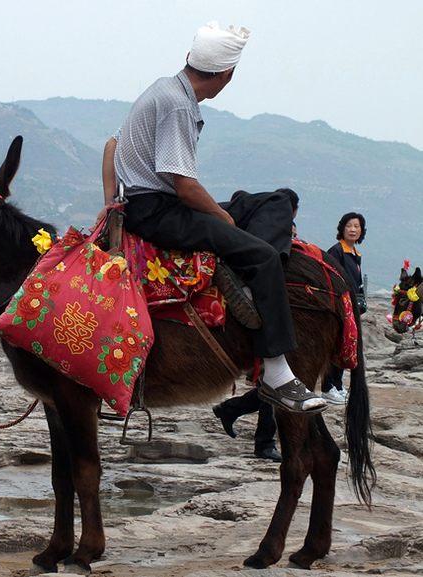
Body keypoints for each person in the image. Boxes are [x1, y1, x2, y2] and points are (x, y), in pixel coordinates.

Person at [101, 21, 325, 414]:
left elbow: (111, 144)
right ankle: (275, 373)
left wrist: (110, 203)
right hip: (157, 212)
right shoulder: (177, 104)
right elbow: (185, 187)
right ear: (227, 74)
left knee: (271, 202)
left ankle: (250, 276)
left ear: (190, 59)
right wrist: (222, 218)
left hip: (150, 203)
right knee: (263, 257)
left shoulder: (162, 87)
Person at [211, 187, 300, 461]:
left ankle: (233, 411)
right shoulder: (278, 213)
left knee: (273, 380)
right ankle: (262, 441)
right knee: (275, 380)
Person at [321, 212, 367, 404]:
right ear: (342, 228)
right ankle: (327, 387)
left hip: (351, 307)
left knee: (345, 345)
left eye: (356, 226)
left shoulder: (355, 254)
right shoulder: (336, 251)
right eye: (349, 225)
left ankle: (338, 385)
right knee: (335, 345)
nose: (353, 230)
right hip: (338, 306)